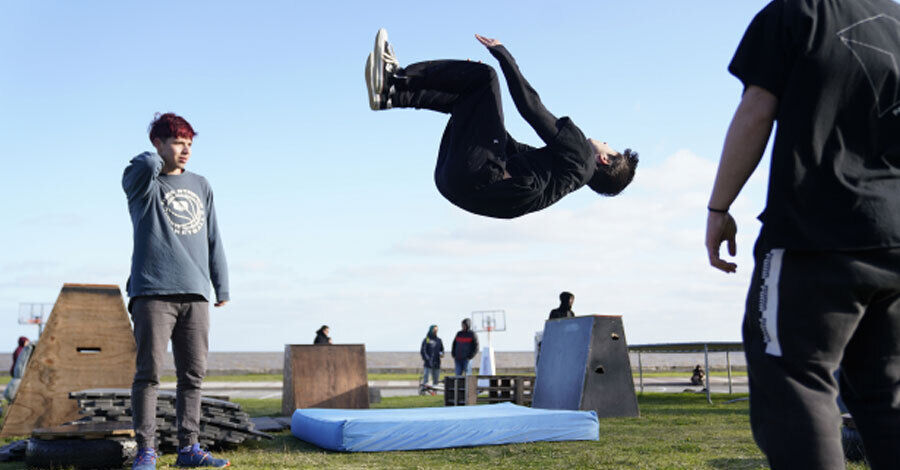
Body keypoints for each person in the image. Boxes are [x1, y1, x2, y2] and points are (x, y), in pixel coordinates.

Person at [705, 2, 900, 468]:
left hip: (815, 235)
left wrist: (719, 207)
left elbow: (756, 111)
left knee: (794, 385)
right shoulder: (896, 21)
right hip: (894, 241)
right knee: (886, 396)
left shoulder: (795, 13)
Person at [364, 29, 638, 219]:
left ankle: (395, 78)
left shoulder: (580, 154)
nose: (604, 140)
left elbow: (531, 108)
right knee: (469, 99)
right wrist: (484, 108)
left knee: (485, 78)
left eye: (609, 146)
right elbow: (511, 146)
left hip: (476, 176)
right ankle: (390, 96)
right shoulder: (563, 176)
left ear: (604, 159)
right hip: (454, 184)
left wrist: (505, 57)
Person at [123, 113, 230, 469]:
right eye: (178, 143)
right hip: (153, 292)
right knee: (148, 374)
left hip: (196, 293)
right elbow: (144, 164)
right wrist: (158, 152)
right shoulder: (143, 185)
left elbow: (213, 236)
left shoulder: (201, 184)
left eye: (189, 144)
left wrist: (220, 283)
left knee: (192, 376)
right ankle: (147, 451)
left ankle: (189, 449)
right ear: (158, 144)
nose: (185, 151)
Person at [419, 325, 444, 389]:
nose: (435, 331)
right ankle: (423, 392)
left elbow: (442, 350)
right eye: (434, 330)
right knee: (426, 379)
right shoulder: (427, 339)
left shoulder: (439, 340)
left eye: (436, 330)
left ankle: (434, 393)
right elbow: (423, 351)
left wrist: (442, 354)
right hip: (428, 363)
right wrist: (427, 359)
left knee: (436, 380)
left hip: (437, 363)